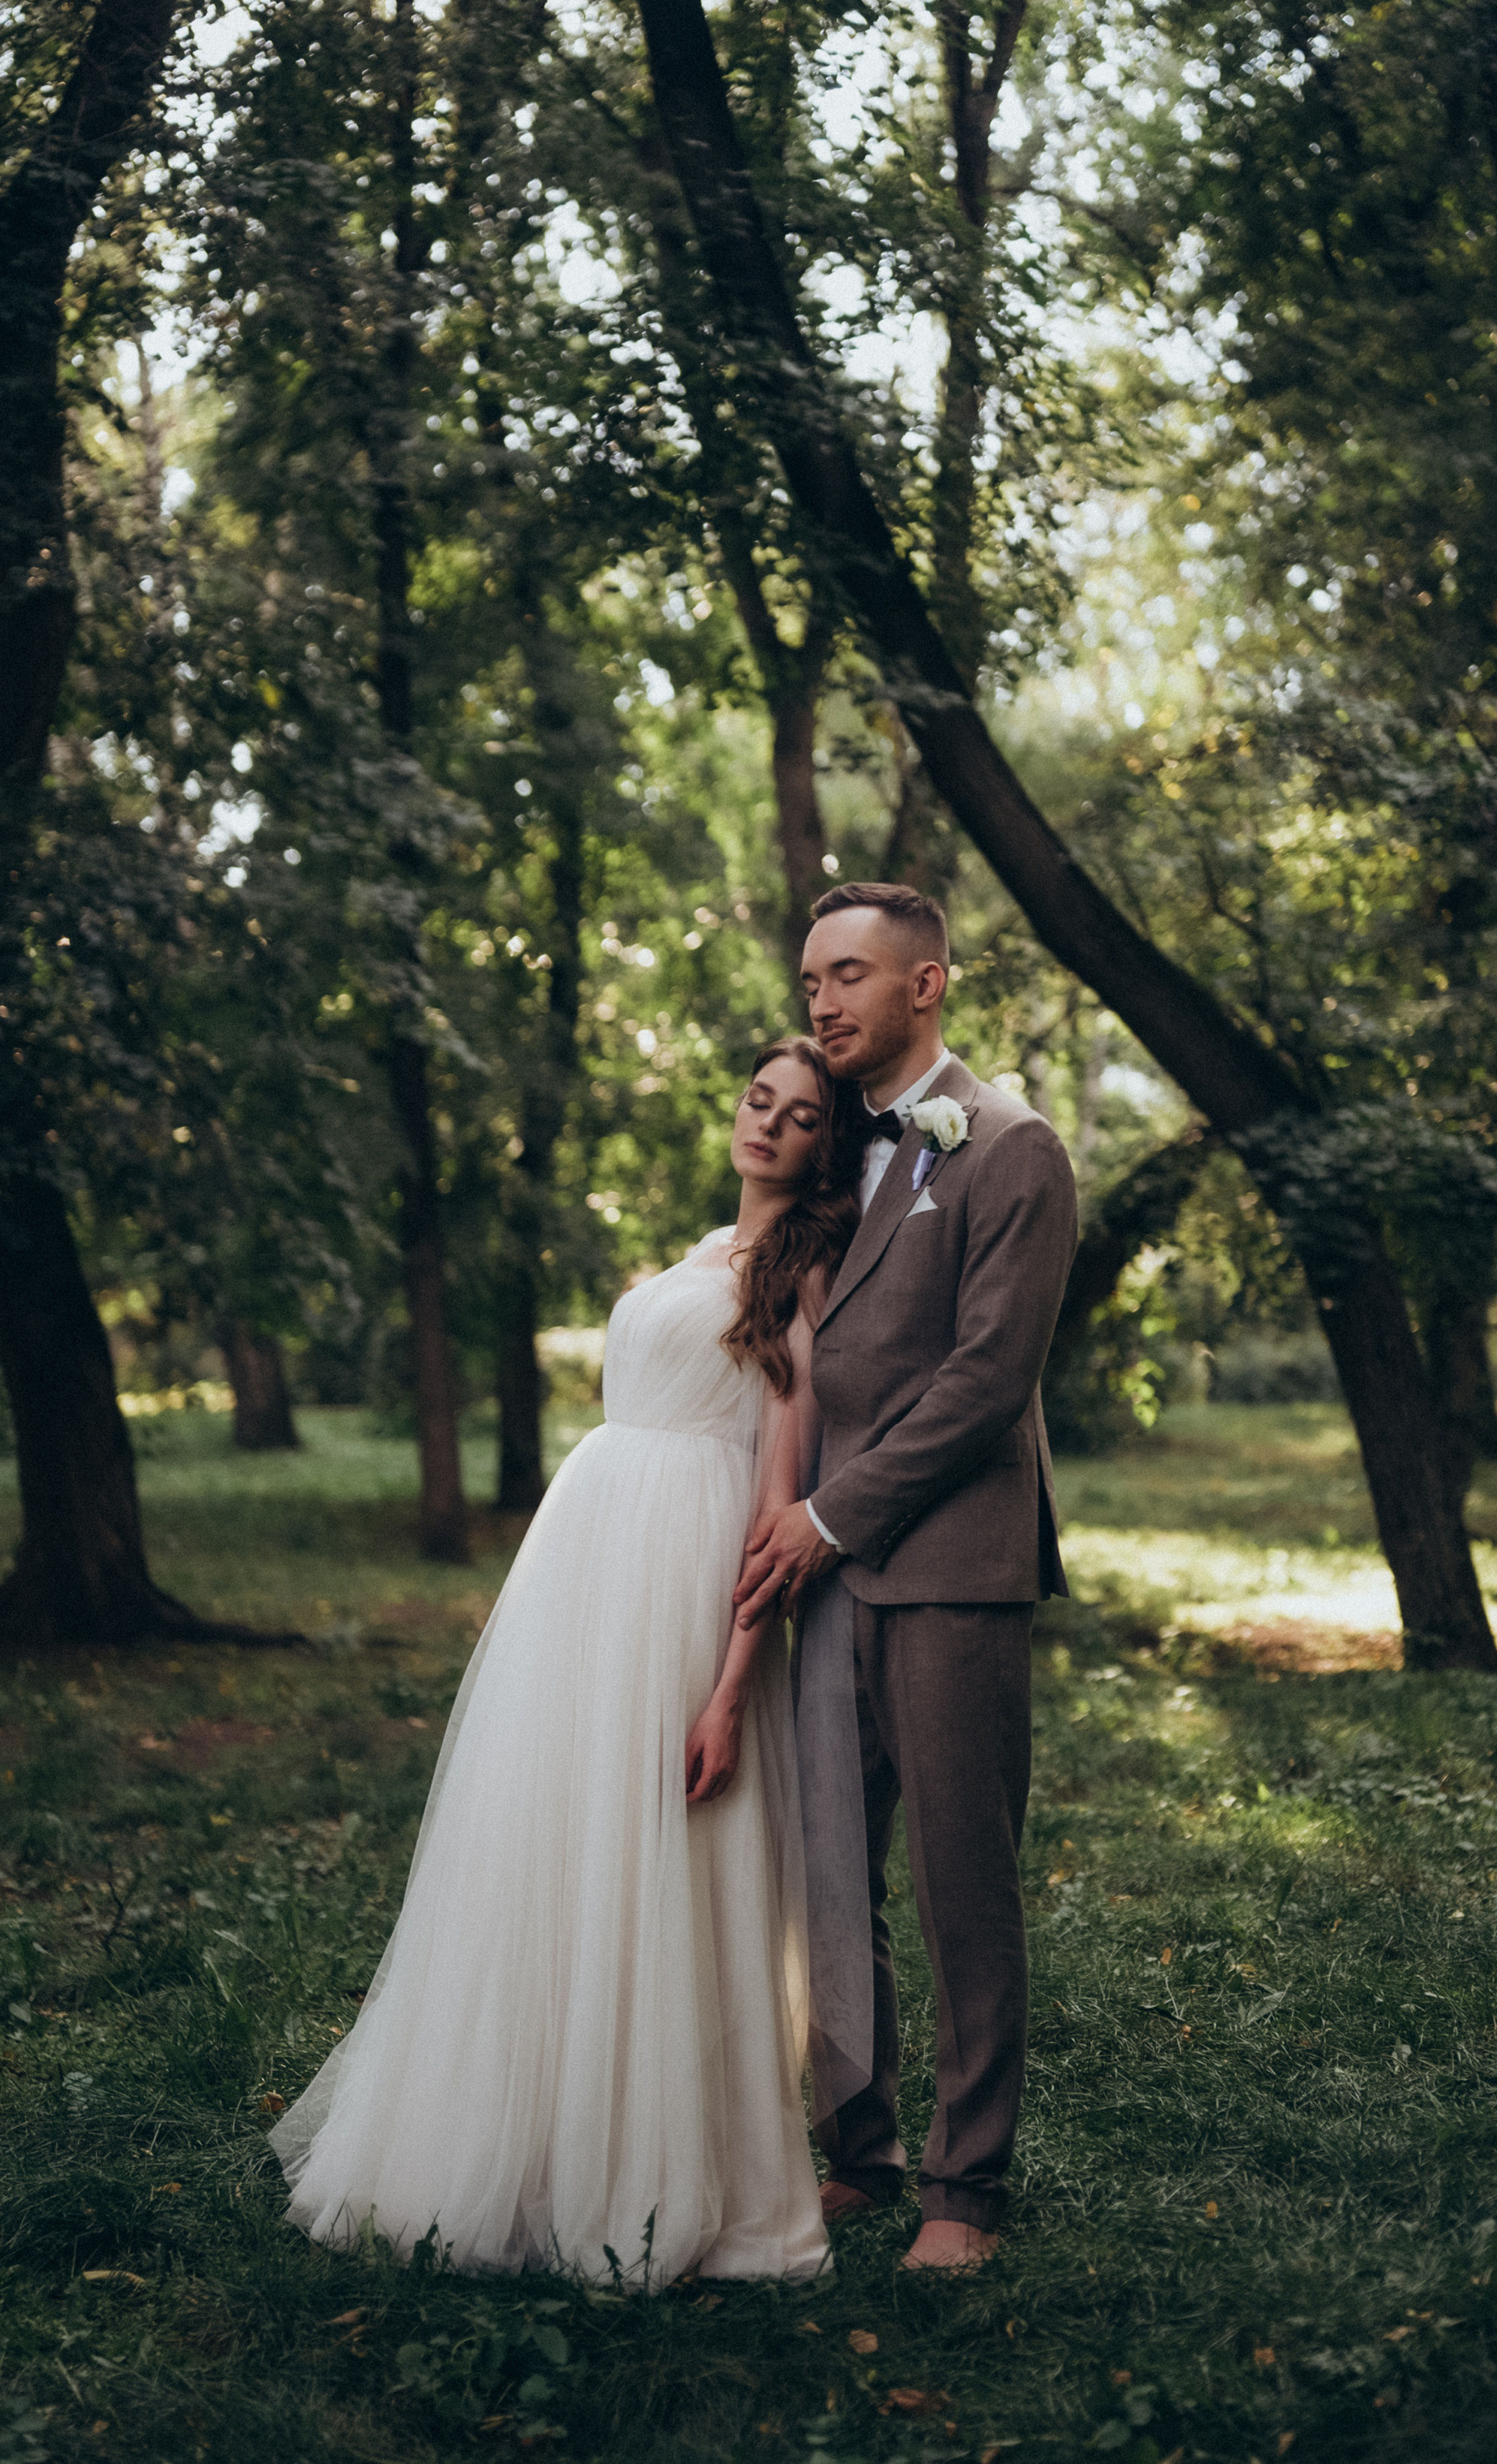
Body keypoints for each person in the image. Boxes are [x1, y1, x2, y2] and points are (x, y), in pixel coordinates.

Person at [272, 1035, 863, 2284]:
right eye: (759, 1098)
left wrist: (730, 1684)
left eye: (800, 1114)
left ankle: (654, 2164)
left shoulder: (805, 1275)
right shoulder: (704, 1252)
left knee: (666, 1854)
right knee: (555, 1841)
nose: (767, 1122)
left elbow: (776, 1500)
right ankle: (525, 2143)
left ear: (826, 1145)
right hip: (587, 1576)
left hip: (683, 1589)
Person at [735, 882, 1077, 2273]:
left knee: (958, 1882)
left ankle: (966, 2187)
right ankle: (862, 2152)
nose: (822, 1000)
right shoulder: (834, 1156)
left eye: (851, 974)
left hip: (948, 1569)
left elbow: (986, 1381)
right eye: (812, 975)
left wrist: (826, 1516)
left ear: (926, 982)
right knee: (827, 1877)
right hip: (828, 1580)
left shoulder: (1009, 1149)